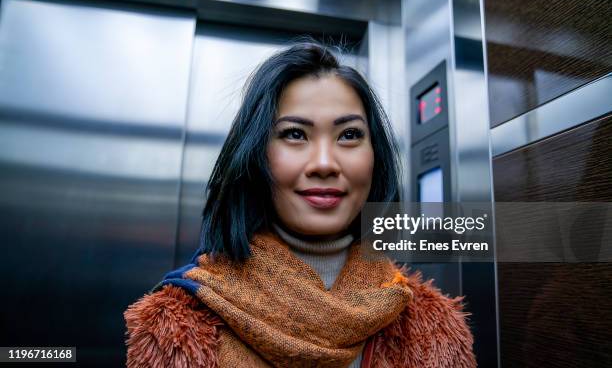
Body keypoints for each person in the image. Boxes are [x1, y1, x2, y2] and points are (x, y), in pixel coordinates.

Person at [124, 42, 476, 367]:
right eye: (294, 134)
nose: (324, 163)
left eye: (349, 135)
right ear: (256, 154)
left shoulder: (433, 328)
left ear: (376, 157)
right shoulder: (176, 324)